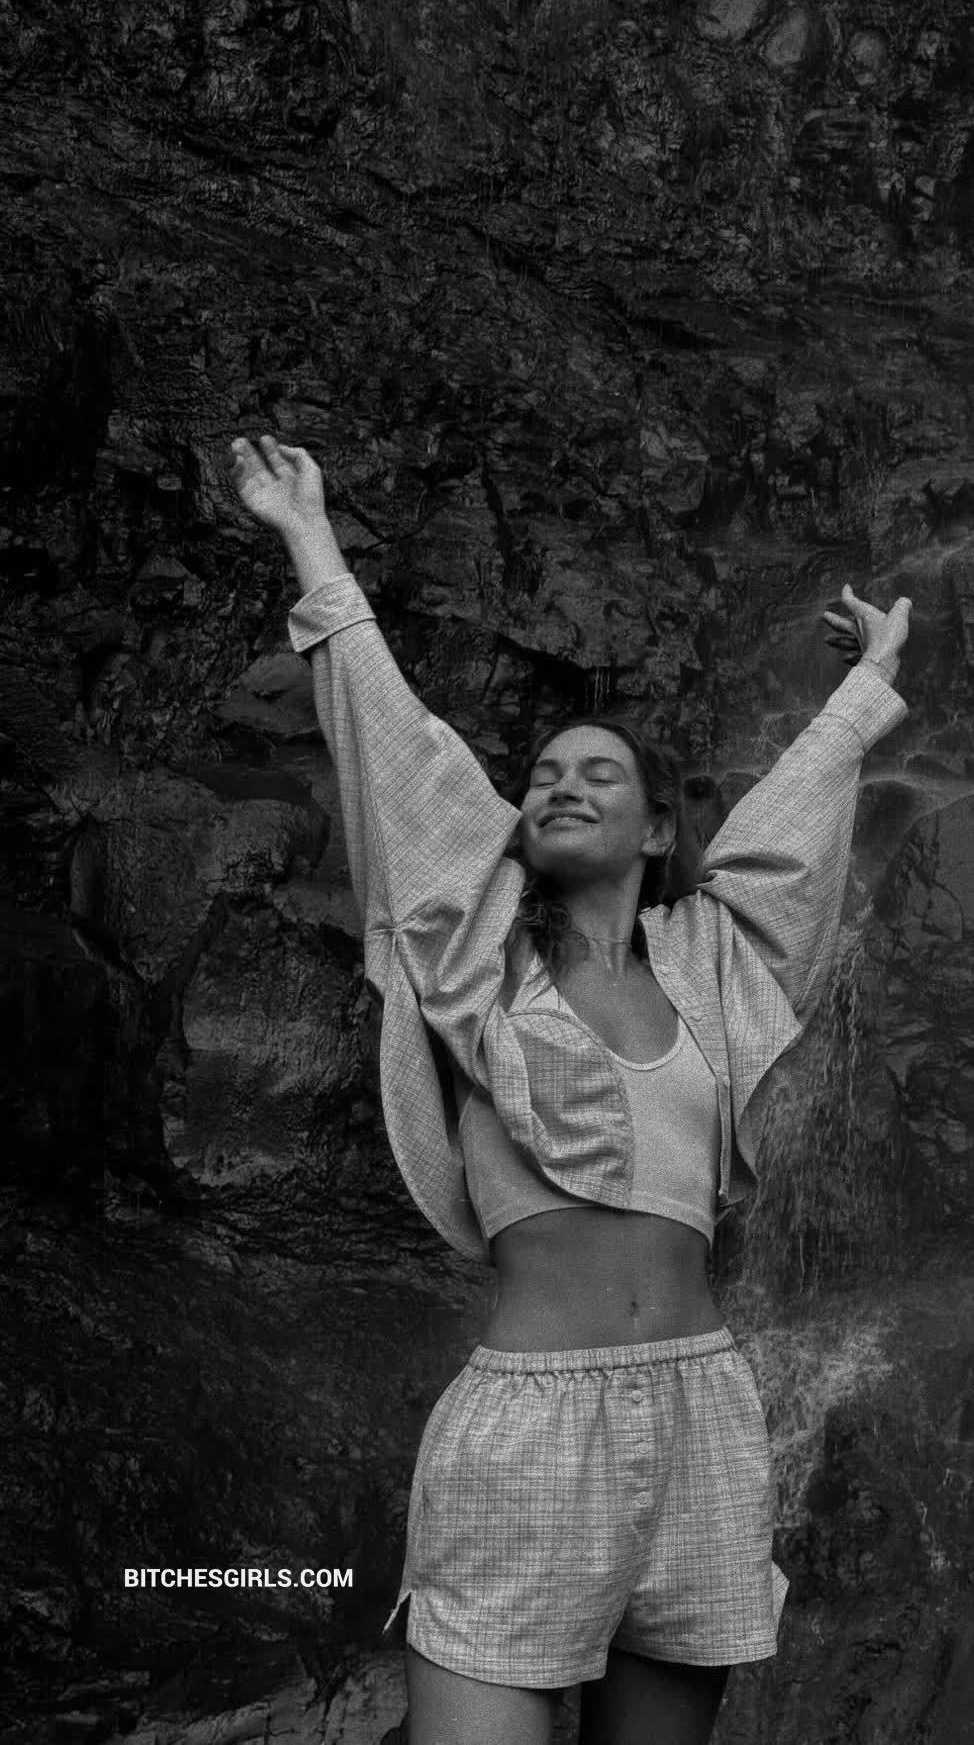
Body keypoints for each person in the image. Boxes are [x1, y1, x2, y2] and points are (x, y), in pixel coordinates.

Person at [231, 434, 911, 1745]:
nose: (560, 784)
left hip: (705, 1416)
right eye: (543, 774)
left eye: (599, 773)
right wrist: (310, 538)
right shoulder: (476, 951)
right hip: (529, 1428)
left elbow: (791, 827)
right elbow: (397, 743)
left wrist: (867, 684)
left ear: (656, 830)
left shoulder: (712, 964)